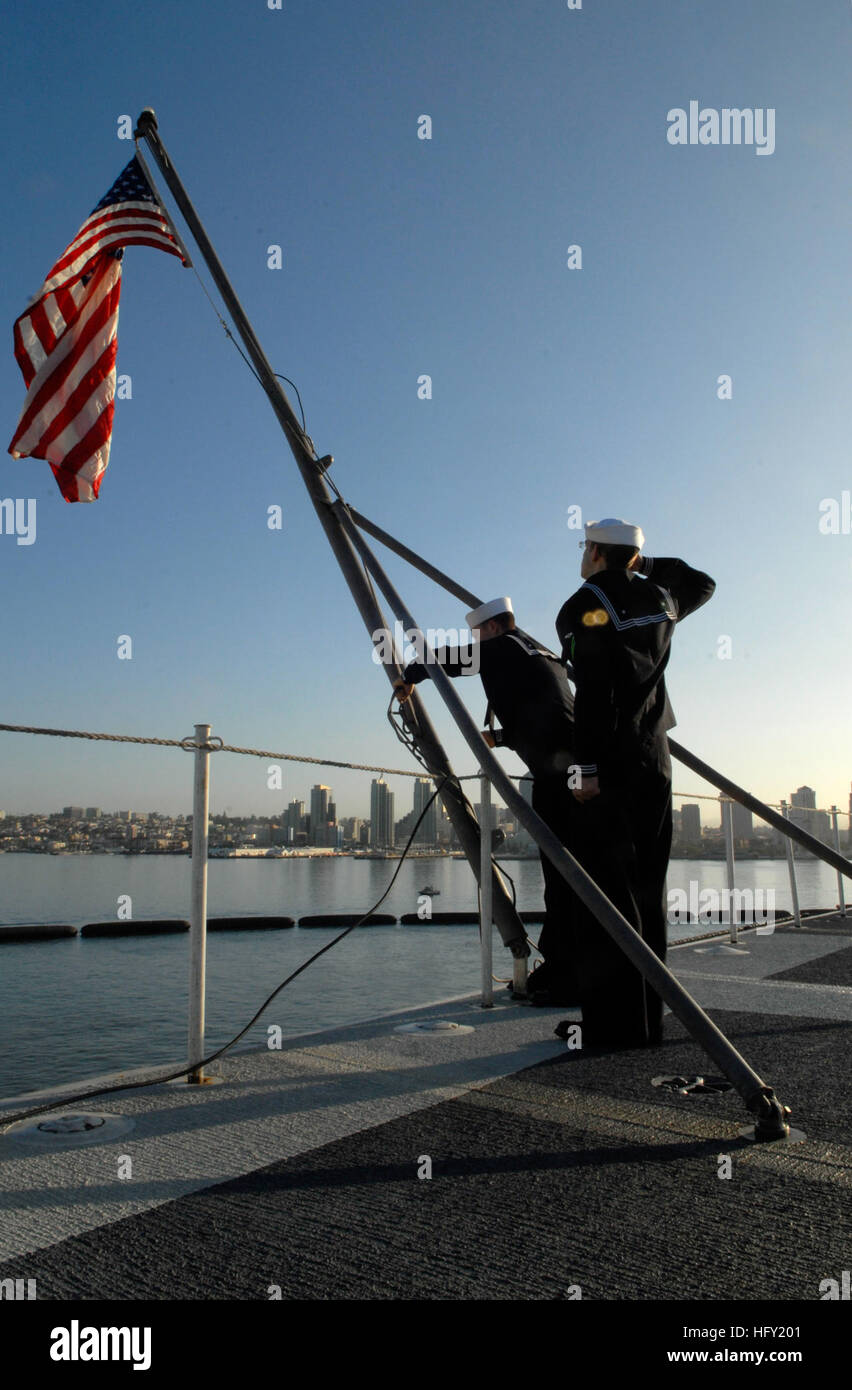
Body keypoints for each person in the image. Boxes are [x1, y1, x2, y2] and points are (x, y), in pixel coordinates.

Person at [555, 518, 716, 1046]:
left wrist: (585, 769)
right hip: (656, 757)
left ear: (597, 551)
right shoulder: (662, 597)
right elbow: (702, 582)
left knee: (604, 892)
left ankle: (611, 1027)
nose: (582, 556)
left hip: (610, 762)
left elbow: (595, 692)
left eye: (586, 548)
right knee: (647, 887)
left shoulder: (582, 605)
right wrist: (641, 562)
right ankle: (649, 1018)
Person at [393, 598, 578, 1003]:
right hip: (577, 772)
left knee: (565, 881)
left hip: (561, 779)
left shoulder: (504, 646)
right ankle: (571, 969)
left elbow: (442, 659)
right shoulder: (539, 650)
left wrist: (408, 675)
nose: (477, 642)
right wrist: (500, 737)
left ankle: (568, 977)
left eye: (479, 635)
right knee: (570, 876)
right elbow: (549, 713)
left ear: (492, 629)